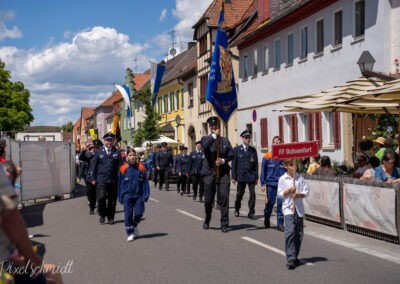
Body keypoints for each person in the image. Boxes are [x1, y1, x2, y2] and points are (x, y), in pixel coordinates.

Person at [201, 116, 233, 233]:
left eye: (216, 126)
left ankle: (224, 223)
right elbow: (205, 146)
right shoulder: (205, 138)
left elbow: (232, 153)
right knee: (208, 199)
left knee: (224, 197)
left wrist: (223, 160)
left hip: (223, 172)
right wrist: (214, 136)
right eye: (212, 126)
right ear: (210, 128)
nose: (214, 128)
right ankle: (207, 218)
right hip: (209, 172)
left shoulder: (224, 140)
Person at [277, 159, 309, 270]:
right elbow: (280, 194)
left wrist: (298, 195)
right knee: (290, 231)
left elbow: (306, 192)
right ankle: (290, 257)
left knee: (299, 234)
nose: (293, 167)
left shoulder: (300, 178)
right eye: (291, 165)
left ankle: (295, 255)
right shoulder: (282, 179)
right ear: (285, 166)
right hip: (288, 209)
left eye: (295, 165)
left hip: (299, 209)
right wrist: (288, 191)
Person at [118, 148, 150, 242]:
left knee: (139, 213)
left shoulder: (141, 167)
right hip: (127, 195)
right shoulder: (123, 168)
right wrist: (120, 196)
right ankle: (130, 233)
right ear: (127, 157)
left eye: (133, 155)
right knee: (128, 215)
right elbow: (120, 183)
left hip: (138, 195)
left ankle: (135, 224)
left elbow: (145, 182)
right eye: (130, 155)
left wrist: (146, 194)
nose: (132, 157)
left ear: (136, 156)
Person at [90, 132, 122, 224]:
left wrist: (121, 176)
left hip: (113, 180)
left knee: (112, 200)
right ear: (104, 141)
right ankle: (102, 215)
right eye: (107, 140)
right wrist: (93, 178)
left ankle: (111, 217)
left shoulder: (117, 152)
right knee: (101, 198)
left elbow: (120, 166)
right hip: (101, 179)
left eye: (111, 140)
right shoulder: (98, 152)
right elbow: (94, 166)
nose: (109, 142)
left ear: (113, 141)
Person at [260, 136, 286, 231]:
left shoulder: (284, 157)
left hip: (281, 184)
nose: (277, 144)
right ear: (272, 144)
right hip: (271, 184)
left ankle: (280, 224)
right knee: (270, 203)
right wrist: (262, 184)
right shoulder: (267, 156)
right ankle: (267, 216)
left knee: (281, 204)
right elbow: (263, 170)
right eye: (276, 142)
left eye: (279, 142)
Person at [231, 130, 259, 220]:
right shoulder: (237, 150)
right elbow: (234, 164)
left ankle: (251, 212)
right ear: (242, 138)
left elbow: (255, 164)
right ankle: (237, 208)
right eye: (246, 138)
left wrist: (256, 176)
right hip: (241, 175)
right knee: (240, 194)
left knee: (252, 194)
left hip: (251, 175)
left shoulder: (253, 150)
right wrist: (234, 177)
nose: (248, 139)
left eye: (249, 138)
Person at [79, 143, 97, 214]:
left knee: (96, 193)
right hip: (88, 177)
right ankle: (91, 207)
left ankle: (95, 205)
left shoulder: (98, 155)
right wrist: (84, 150)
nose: (93, 149)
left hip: (97, 177)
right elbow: (81, 158)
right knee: (90, 192)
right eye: (91, 148)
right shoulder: (87, 156)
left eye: (94, 148)